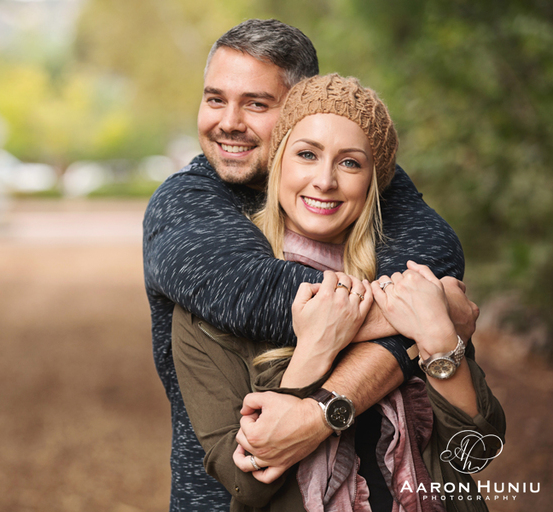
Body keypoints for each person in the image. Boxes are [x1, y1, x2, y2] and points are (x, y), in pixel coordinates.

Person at [143, 19, 473, 512]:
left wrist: (317, 415)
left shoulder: (361, 173)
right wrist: (432, 311)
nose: (229, 121)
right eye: (215, 99)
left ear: (306, 106)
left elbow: (438, 253)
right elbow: (262, 296)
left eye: (256, 104)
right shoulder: (187, 201)